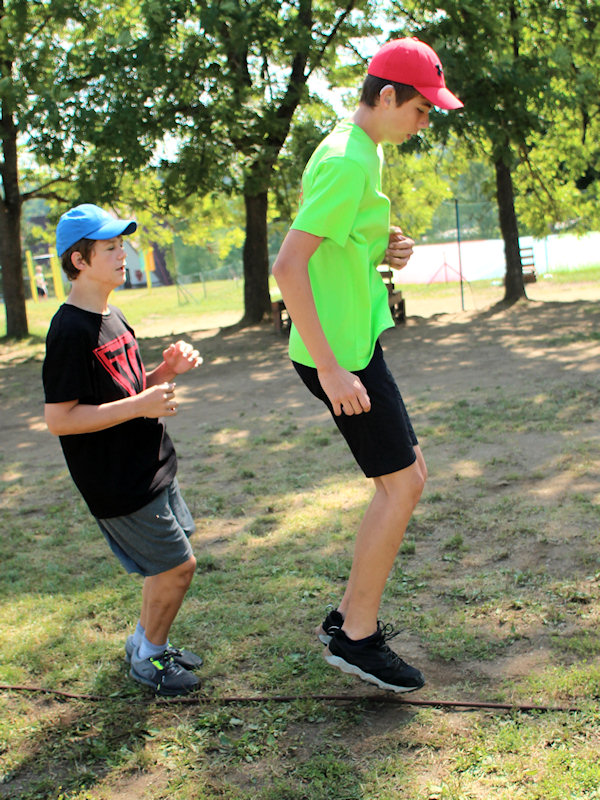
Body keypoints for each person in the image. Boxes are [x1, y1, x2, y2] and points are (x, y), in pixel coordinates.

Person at [272, 38, 463, 693]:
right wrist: (331, 371)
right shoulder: (347, 160)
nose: (424, 122)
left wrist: (385, 243)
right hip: (340, 357)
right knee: (401, 487)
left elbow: (338, 240)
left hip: (355, 344)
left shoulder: (359, 149)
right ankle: (357, 636)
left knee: (409, 478)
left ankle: (347, 616)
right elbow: (288, 266)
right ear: (386, 97)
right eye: (420, 109)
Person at [43, 203, 203, 697]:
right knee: (178, 567)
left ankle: (143, 643)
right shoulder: (69, 331)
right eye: (110, 248)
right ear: (79, 261)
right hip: (118, 482)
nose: (123, 254)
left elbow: (128, 390)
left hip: (151, 465)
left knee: (169, 563)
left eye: (122, 245)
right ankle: (150, 658)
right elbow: (60, 419)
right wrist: (140, 405)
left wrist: (165, 372)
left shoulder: (113, 315)